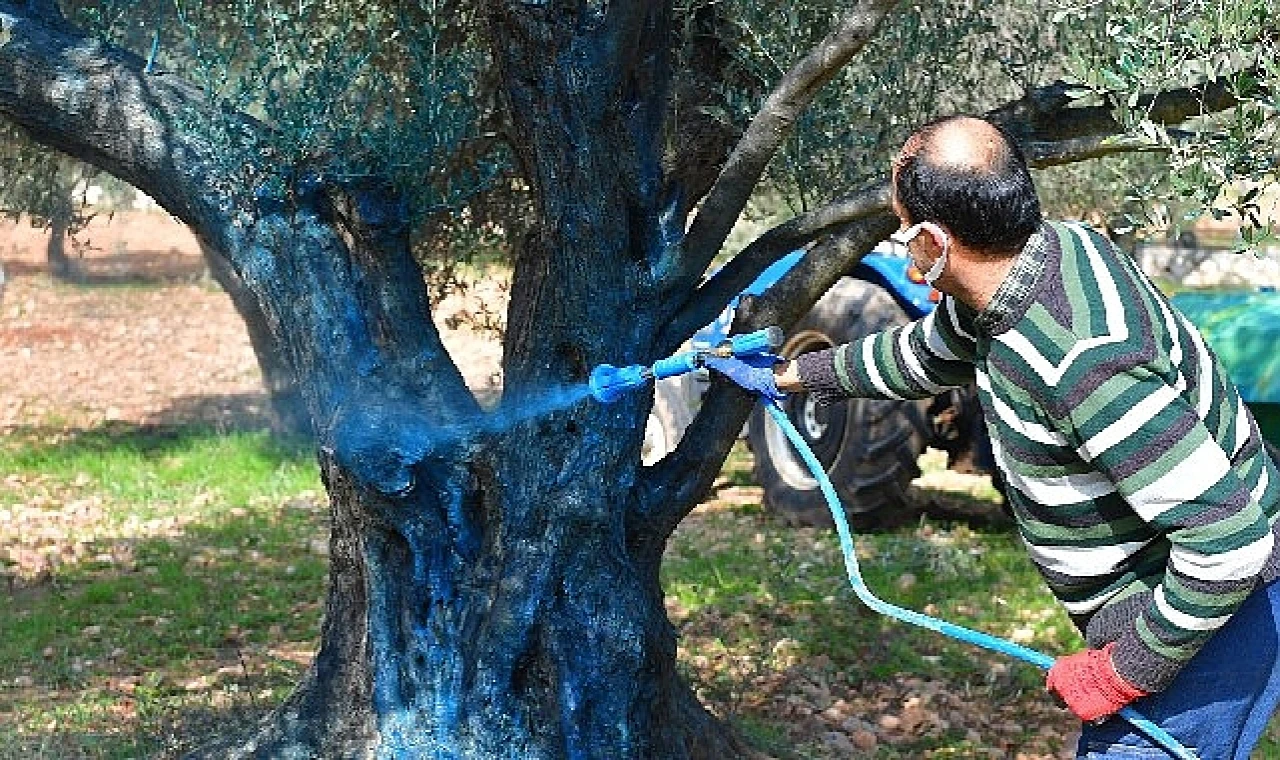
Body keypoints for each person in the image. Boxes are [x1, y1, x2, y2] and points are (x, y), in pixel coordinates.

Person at [706, 115, 1280, 758]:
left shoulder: (1082, 361)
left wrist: (1122, 672)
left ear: (932, 241)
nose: (901, 238)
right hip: (1178, 603)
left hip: (1214, 620)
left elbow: (1229, 545)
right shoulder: (1044, 257)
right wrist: (793, 375)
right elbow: (925, 355)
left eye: (902, 226)